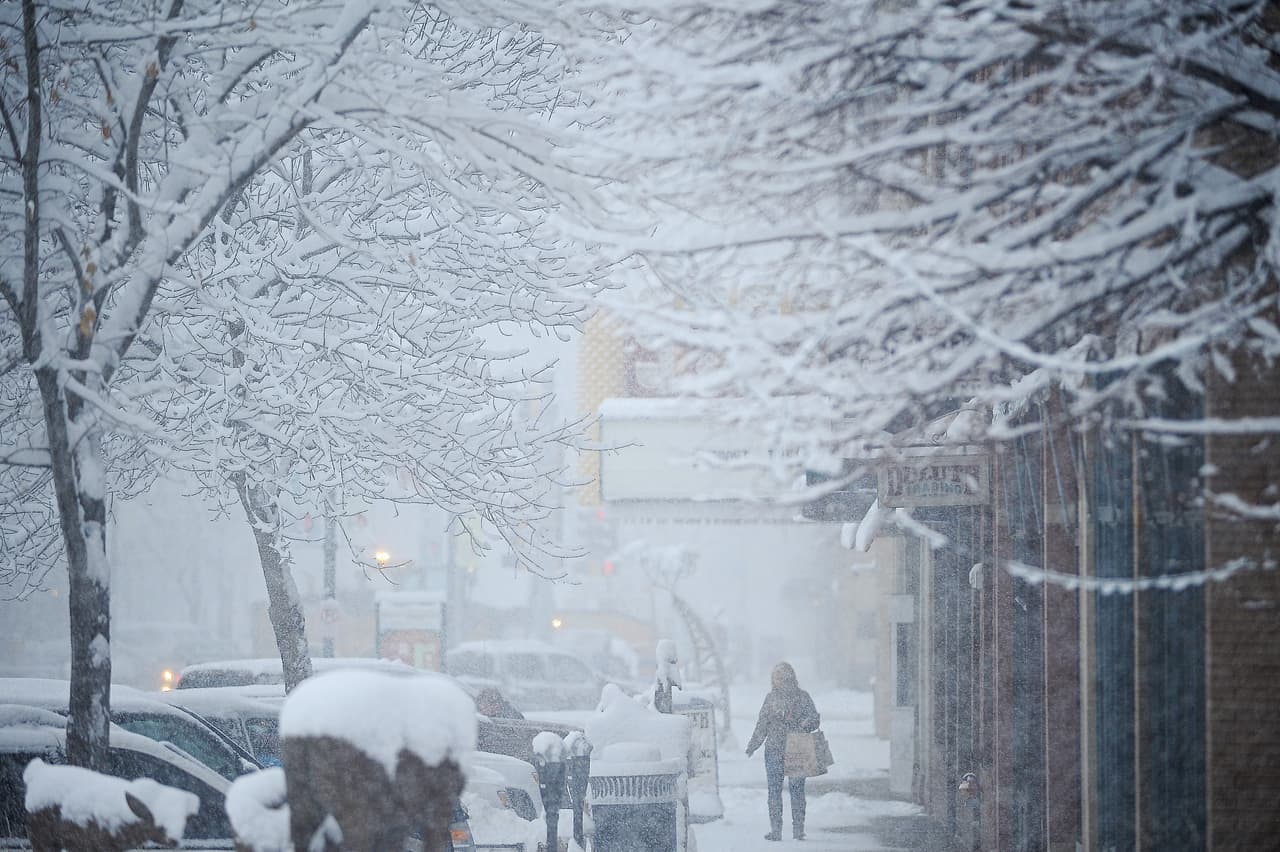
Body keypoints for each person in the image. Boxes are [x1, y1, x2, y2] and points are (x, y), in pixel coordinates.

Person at [745, 661, 820, 841]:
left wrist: (753, 745)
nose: (778, 680)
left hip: (790, 748)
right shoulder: (790, 697)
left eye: (781, 676)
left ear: (789, 677)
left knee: (782, 791)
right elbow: (762, 724)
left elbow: (814, 720)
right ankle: (788, 830)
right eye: (776, 676)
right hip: (783, 749)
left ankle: (787, 830)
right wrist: (753, 745)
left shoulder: (787, 698)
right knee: (789, 791)